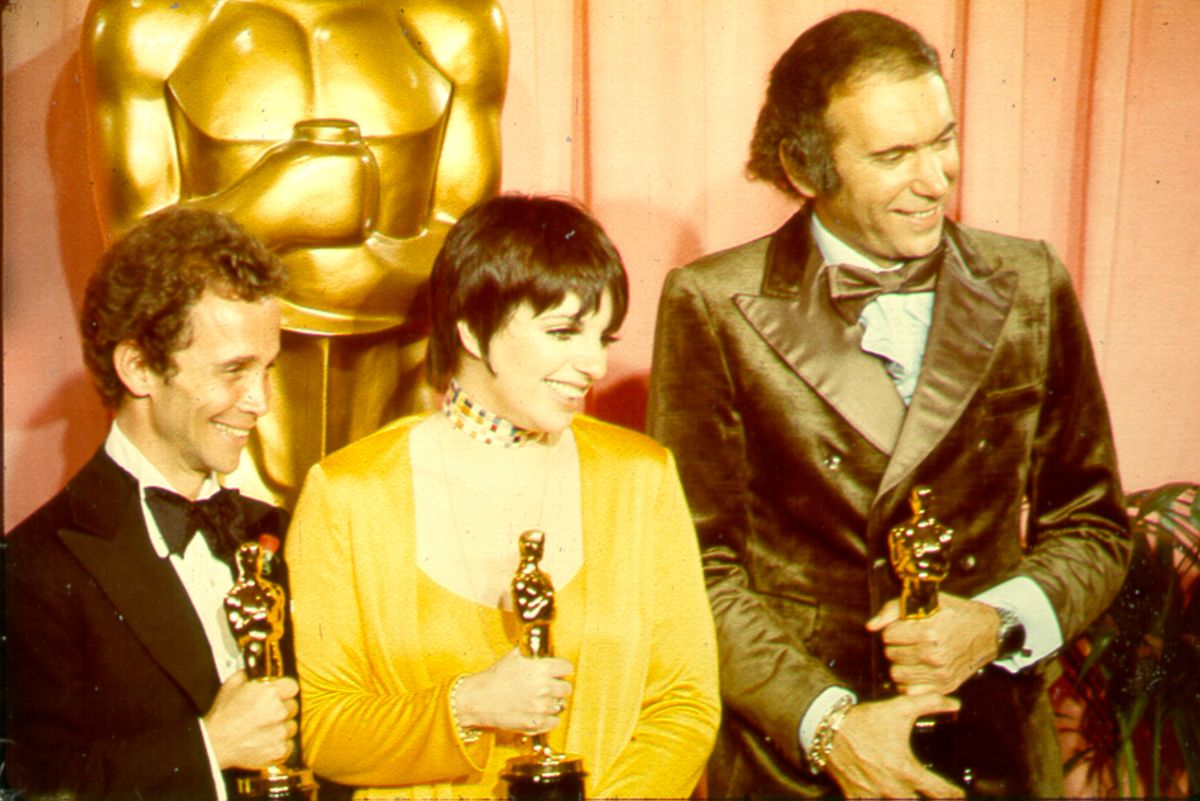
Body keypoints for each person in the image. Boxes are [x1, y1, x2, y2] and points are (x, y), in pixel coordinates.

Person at [647, 10, 1130, 799]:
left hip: (995, 753)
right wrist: (830, 725)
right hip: (800, 766)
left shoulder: (1030, 283)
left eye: (943, 140)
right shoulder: (713, 303)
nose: (936, 179)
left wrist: (998, 622)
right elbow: (695, 567)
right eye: (894, 155)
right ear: (804, 167)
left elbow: (1094, 524)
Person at [285, 194, 720, 798]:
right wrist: (468, 705)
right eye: (563, 332)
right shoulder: (347, 494)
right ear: (471, 328)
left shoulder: (640, 478)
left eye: (603, 336)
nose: (595, 364)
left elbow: (685, 703)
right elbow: (328, 732)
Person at [81, 0, 508, 507]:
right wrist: (270, 206)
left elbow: (469, 260)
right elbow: (132, 260)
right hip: (216, 416)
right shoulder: (148, 24)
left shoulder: (457, 24)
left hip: (395, 400)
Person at [4, 207, 300, 798]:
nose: (261, 402)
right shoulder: (32, 568)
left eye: (267, 369)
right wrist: (210, 748)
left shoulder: (279, 531)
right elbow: (31, 790)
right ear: (138, 368)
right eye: (234, 371)